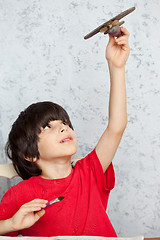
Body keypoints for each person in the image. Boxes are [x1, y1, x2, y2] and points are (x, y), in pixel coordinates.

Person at [0, 27, 130, 237]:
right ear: (30, 154)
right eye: (49, 126)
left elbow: (117, 126)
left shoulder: (90, 172)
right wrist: (11, 225)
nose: (64, 127)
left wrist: (117, 67)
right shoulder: (19, 194)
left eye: (65, 123)